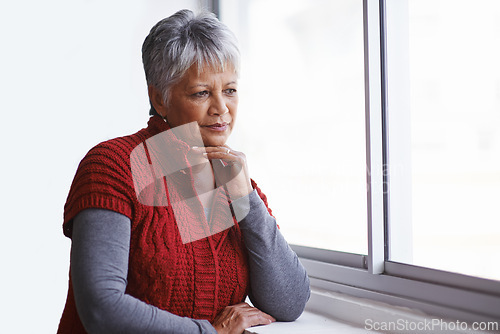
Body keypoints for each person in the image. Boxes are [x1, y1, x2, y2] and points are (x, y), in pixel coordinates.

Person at [57, 9, 310, 334]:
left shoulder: (230, 176)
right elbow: (101, 308)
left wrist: (248, 200)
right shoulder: (112, 166)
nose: (221, 108)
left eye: (230, 90)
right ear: (159, 98)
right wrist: (210, 332)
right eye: (202, 93)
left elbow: (289, 302)